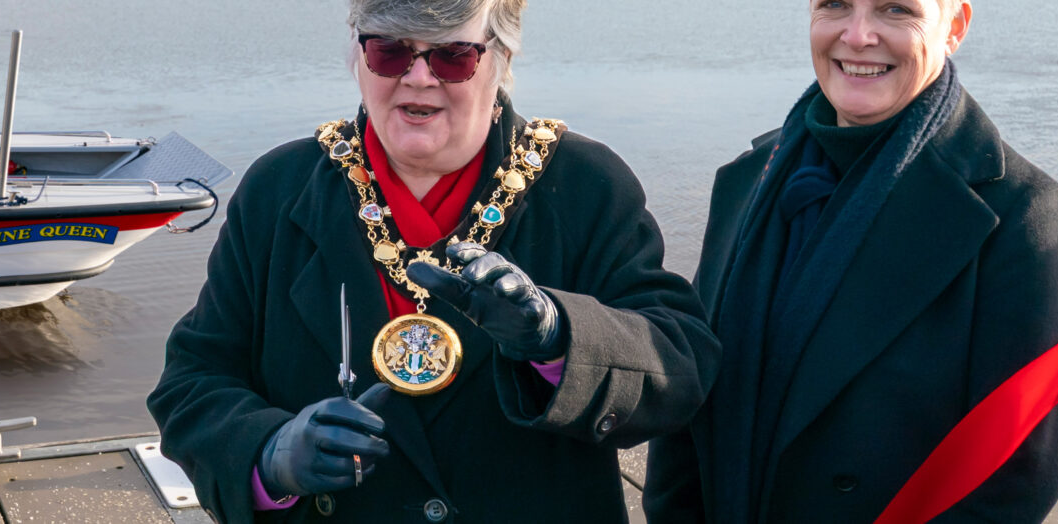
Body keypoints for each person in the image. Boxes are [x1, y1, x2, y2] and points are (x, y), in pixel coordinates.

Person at [146, 0, 719, 521]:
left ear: (500, 59)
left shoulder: (587, 184)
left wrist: (560, 338)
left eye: (452, 57)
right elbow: (193, 380)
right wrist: (267, 454)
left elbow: (682, 363)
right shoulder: (279, 189)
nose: (418, 78)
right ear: (357, 56)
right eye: (389, 51)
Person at [643, 0, 1058, 522]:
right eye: (835, 5)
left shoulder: (1021, 214)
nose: (858, 35)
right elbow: (695, 389)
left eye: (895, 10)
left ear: (954, 26)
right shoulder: (748, 180)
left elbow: (1015, 479)